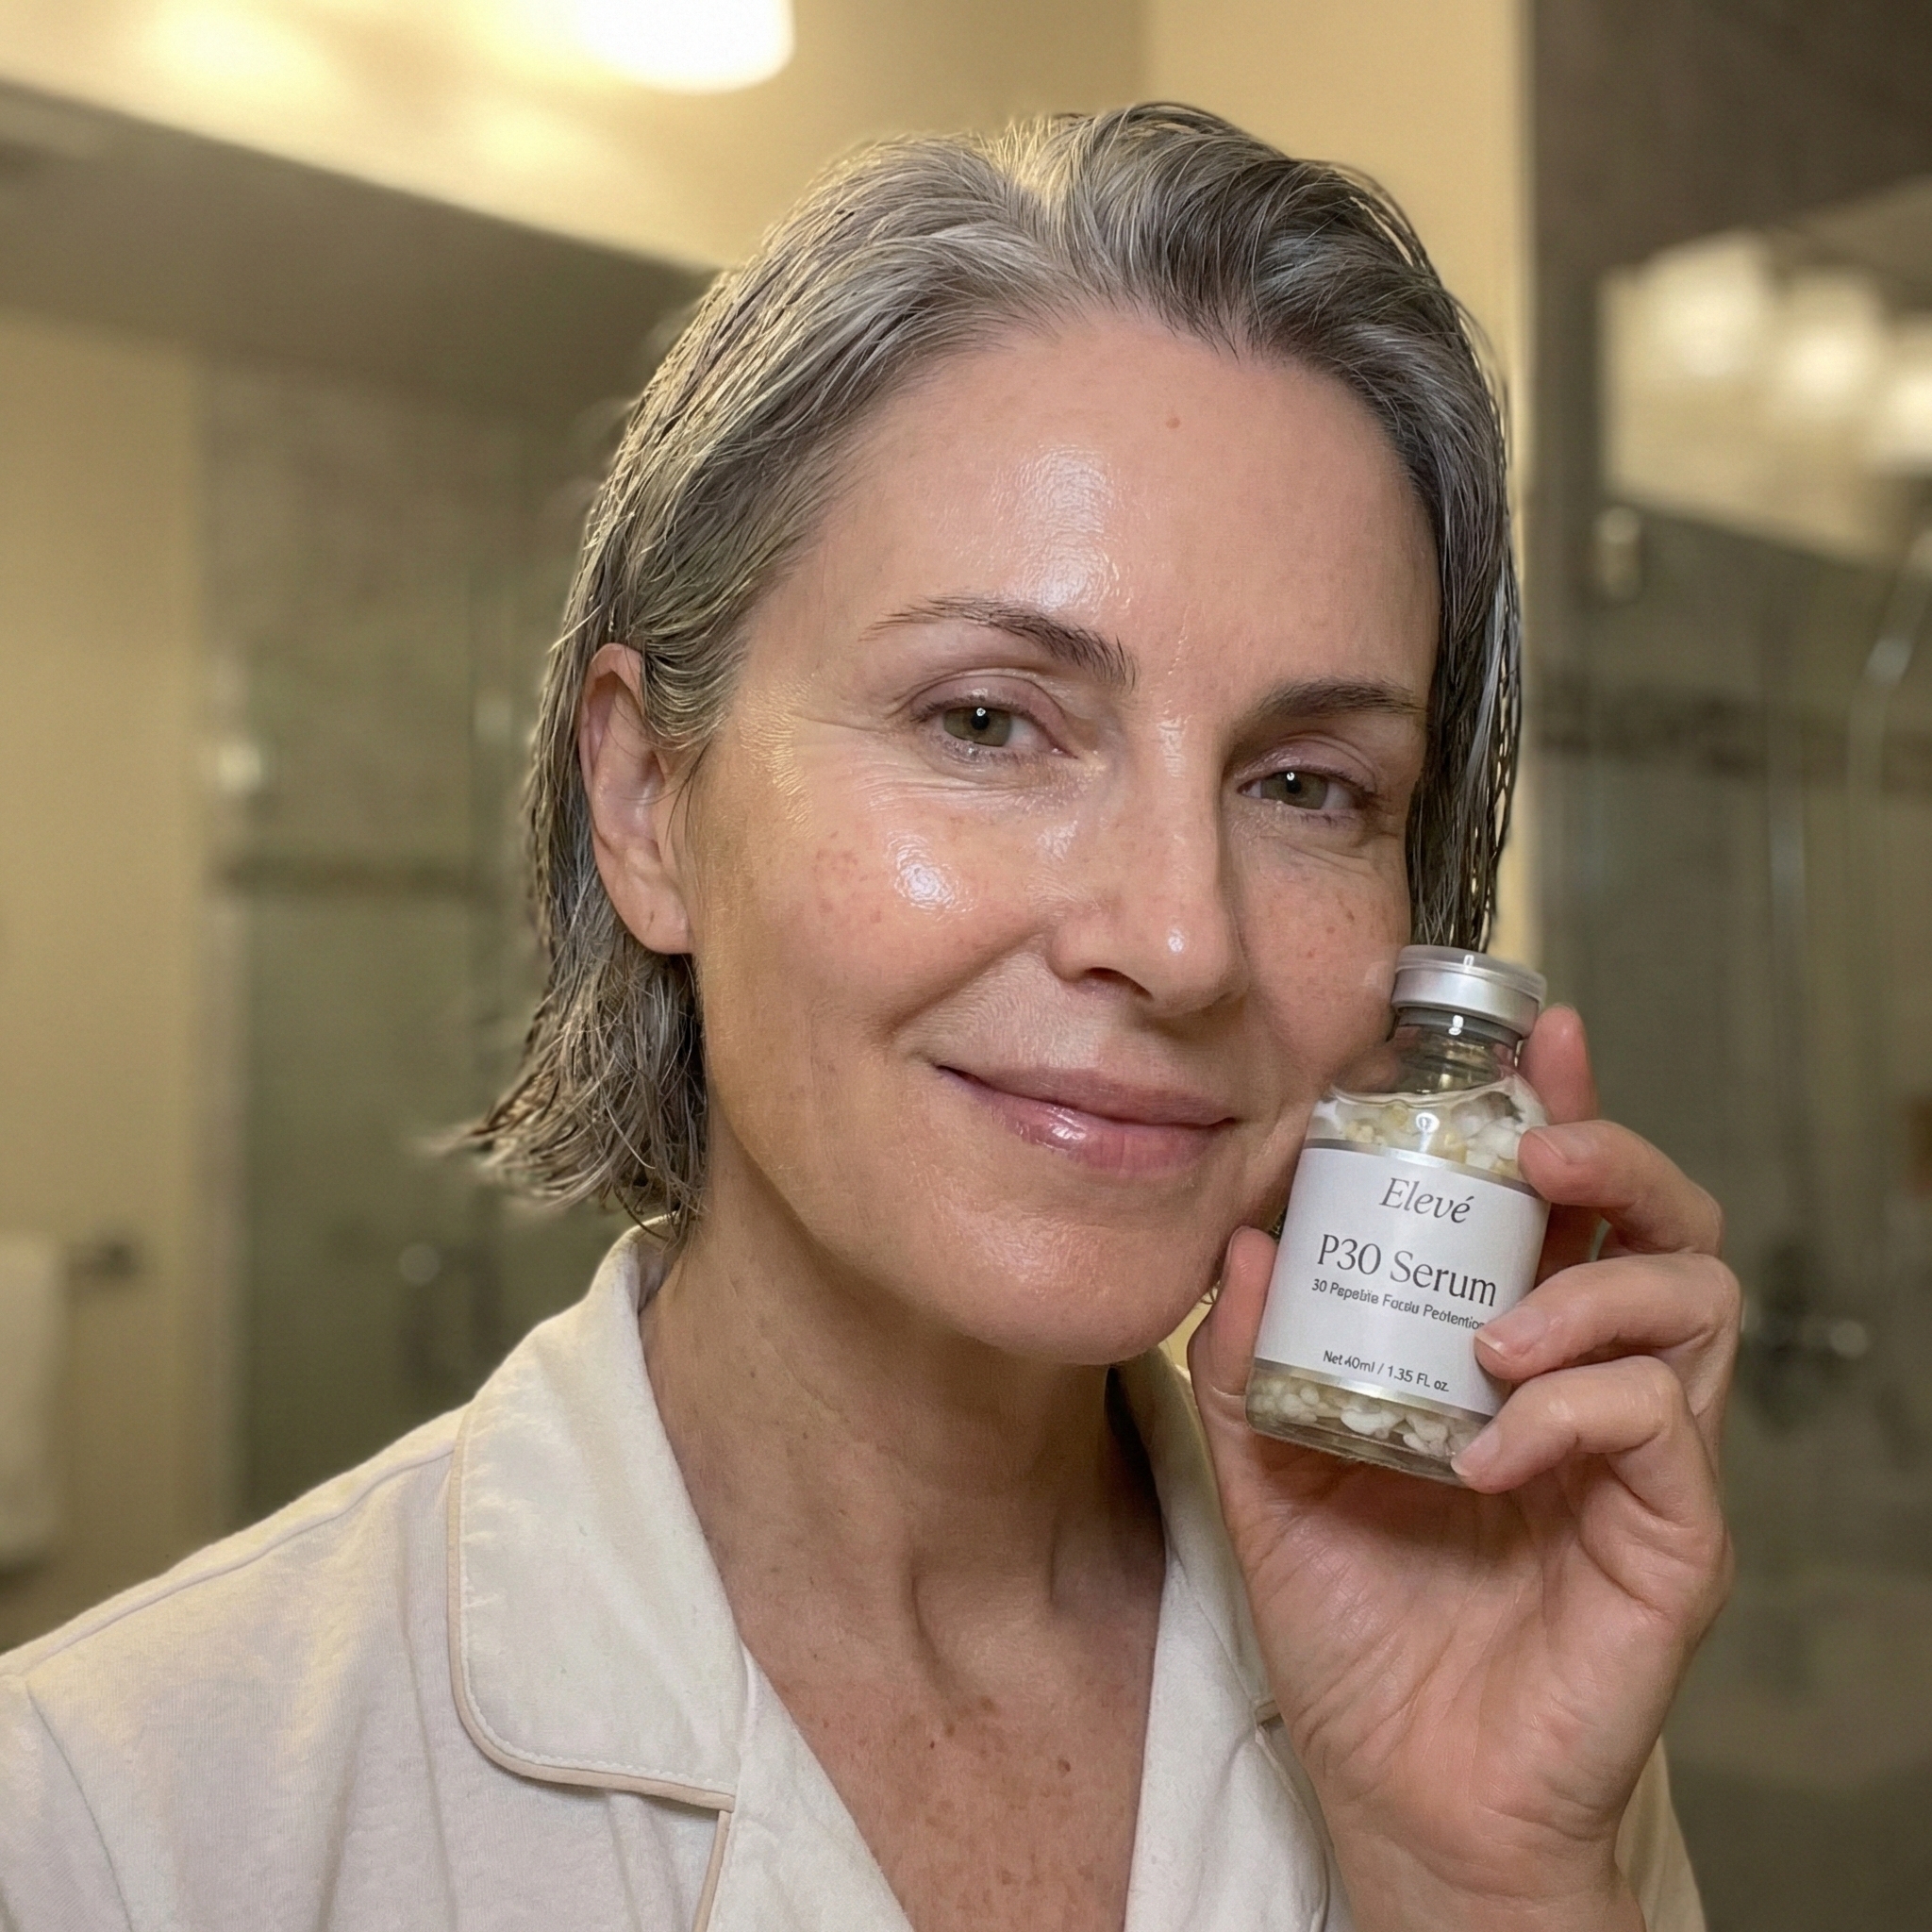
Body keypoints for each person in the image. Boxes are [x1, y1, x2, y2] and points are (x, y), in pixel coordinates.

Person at [0, 105, 1735, 1930]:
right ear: (649, 801)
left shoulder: (1484, 1697)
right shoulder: (121, 1820)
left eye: (1309, 786)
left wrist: (1477, 1880)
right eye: (988, 722)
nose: (1178, 939)